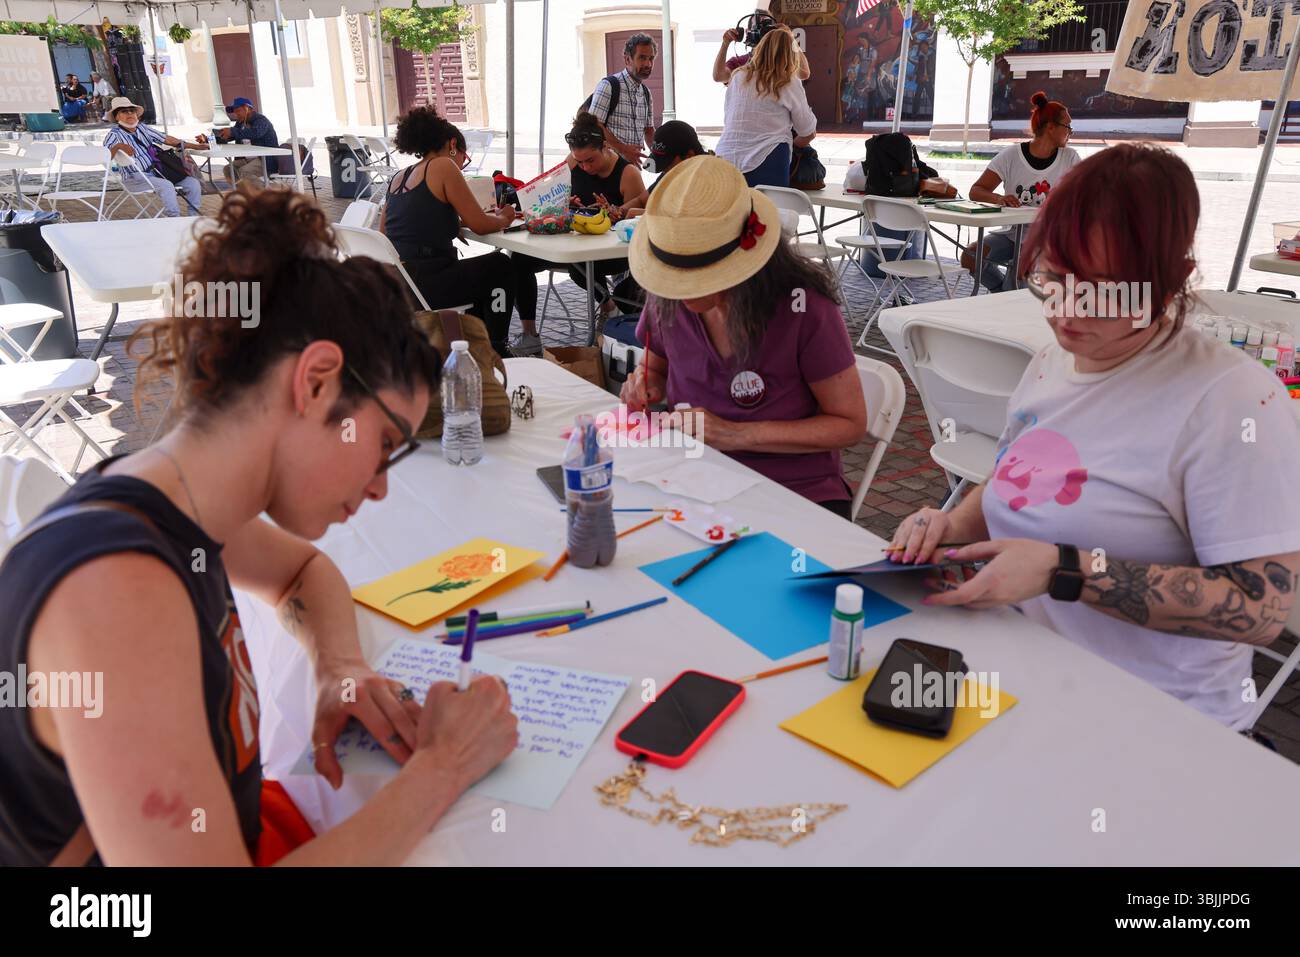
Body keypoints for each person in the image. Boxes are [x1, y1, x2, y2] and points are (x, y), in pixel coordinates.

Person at [0, 185, 519, 865]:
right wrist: (443, 765)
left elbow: (304, 572)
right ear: (314, 383)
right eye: (385, 443)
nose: (381, 484)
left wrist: (339, 664)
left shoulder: (168, 500)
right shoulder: (118, 594)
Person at [888, 144, 1300, 731]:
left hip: (1154, 723)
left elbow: (1260, 611)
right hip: (1020, 684)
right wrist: (952, 525)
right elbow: (1015, 476)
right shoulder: (1051, 361)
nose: (1065, 308)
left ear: (1172, 280)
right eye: (1051, 277)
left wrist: (1068, 570)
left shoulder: (1231, 402)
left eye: (1103, 287)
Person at [621, 156, 867, 517]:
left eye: (696, 277)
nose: (680, 291)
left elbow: (849, 425)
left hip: (794, 489)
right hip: (691, 475)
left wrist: (736, 434)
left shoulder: (804, 309)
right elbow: (655, 370)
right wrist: (644, 383)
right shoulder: (666, 299)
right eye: (673, 276)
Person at [379, 107, 518, 356]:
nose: (462, 166)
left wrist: (449, 224)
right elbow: (481, 225)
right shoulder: (443, 166)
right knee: (501, 266)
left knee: (479, 273)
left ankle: (475, 344)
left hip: (399, 284)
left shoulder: (399, 177)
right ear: (453, 144)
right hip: (428, 284)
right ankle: (496, 349)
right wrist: (506, 217)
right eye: (464, 158)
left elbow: (386, 232)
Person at [507, 114, 647, 353]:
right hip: (571, 243)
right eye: (580, 162)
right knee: (518, 260)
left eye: (590, 160)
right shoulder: (573, 162)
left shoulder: (628, 174)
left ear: (605, 147)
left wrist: (618, 213)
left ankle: (608, 306)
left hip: (611, 252)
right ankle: (530, 335)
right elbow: (547, 194)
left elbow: (643, 218)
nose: (585, 167)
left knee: (577, 266)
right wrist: (563, 203)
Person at [962, 91, 1080, 293]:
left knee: (1018, 275)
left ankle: (1008, 298)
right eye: (1067, 126)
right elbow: (976, 190)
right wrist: (999, 198)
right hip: (1012, 235)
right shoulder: (1011, 156)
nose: (1071, 132)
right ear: (1051, 127)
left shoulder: (1069, 157)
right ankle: (1002, 293)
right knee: (971, 256)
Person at [714, 26, 817, 189]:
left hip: (725, 159)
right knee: (769, 213)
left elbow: (729, 117)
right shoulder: (787, 81)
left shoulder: (738, 76)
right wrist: (792, 143)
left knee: (731, 213)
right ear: (790, 55)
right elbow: (807, 131)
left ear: (759, 48)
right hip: (767, 160)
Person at [103, 96, 206, 217]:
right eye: (124, 111)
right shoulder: (114, 134)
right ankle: (174, 218)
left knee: (193, 183)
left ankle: (193, 217)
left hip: (158, 171)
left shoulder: (142, 128)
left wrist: (196, 146)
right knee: (167, 186)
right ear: (116, 117)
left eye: (132, 110)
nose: (129, 113)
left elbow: (167, 139)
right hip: (135, 178)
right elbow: (105, 155)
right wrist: (118, 146)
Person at [585, 33, 657, 164]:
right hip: (608, 168)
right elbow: (594, 124)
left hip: (633, 168)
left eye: (651, 58)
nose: (648, 64)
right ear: (628, 60)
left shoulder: (646, 93)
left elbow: (649, 130)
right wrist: (623, 150)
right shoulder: (609, 85)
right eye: (642, 58)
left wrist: (663, 157)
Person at [615, 120, 707, 220]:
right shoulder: (673, 171)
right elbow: (641, 201)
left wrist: (650, 214)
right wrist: (619, 211)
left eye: (666, 164)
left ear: (689, 156)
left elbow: (693, 219)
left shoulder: (711, 178)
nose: (664, 172)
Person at [713, 24, 810, 85]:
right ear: (748, 32)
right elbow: (718, 76)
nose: (763, 35)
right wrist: (725, 44)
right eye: (758, 29)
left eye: (766, 30)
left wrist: (791, 38)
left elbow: (804, 74)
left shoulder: (782, 61)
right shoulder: (738, 61)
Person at [216, 96, 280, 185]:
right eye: (234, 112)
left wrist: (232, 131)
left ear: (247, 108)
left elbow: (255, 133)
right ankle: (243, 193)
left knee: (244, 171)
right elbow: (231, 136)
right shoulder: (240, 122)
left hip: (265, 159)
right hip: (247, 158)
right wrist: (212, 138)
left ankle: (264, 193)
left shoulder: (261, 120)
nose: (236, 114)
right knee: (228, 169)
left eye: (238, 111)